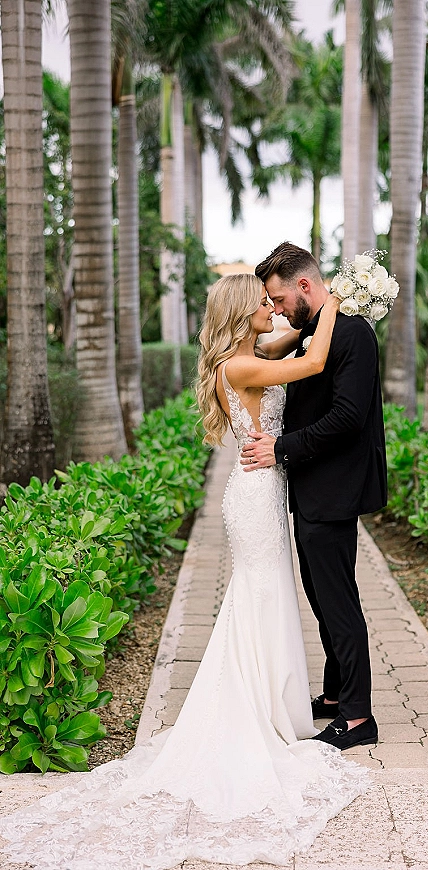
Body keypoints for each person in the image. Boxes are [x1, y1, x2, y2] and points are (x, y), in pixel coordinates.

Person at [0, 274, 369, 870]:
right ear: (240, 312)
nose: (269, 308)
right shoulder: (242, 368)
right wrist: (339, 302)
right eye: (261, 302)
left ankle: (275, 706)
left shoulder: (246, 355)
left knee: (267, 596)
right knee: (260, 595)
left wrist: (301, 316)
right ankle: (260, 712)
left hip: (262, 491)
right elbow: (317, 357)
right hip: (254, 498)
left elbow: (289, 342)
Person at [242, 242, 388, 752]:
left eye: (279, 299)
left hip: (333, 489)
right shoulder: (311, 332)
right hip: (309, 491)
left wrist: (281, 449)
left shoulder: (353, 334)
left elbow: (348, 417)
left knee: (338, 601)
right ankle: (333, 696)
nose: (276, 309)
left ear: (305, 286)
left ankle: (357, 716)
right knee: (321, 597)